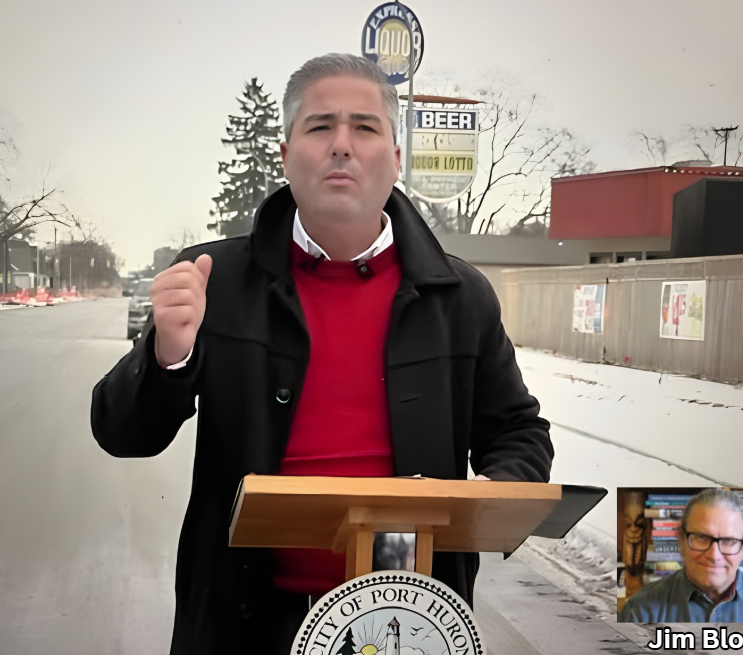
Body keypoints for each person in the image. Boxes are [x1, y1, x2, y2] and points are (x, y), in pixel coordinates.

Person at [91, 53, 554, 654]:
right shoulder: (215, 280)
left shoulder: (459, 297)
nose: (342, 144)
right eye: (320, 126)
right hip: (243, 629)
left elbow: (518, 430)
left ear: (395, 157)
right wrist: (167, 354)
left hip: (406, 625)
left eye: (364, 127)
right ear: (287, 156)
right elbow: (122, 432)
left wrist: (495, 492)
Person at [618, 488, 743, 623]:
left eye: (729, 541)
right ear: (681, 539)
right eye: (702, 537)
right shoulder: (639, 611)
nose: (714, 555)